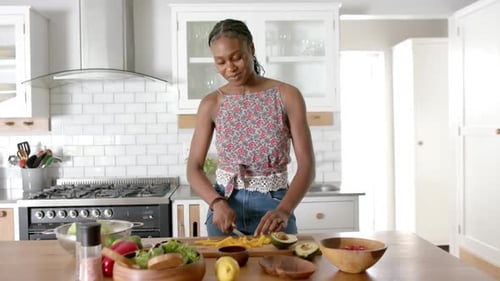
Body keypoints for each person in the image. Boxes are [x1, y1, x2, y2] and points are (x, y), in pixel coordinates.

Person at [186, 19, 315, 237]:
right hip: (224, 209)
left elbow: (307, 166)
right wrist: (216, 203)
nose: (230, 68)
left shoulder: (287, 96)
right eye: (221, 62)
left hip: (274, 211)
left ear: (251, 48)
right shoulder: (211, 103)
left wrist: (284, 210)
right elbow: (193, 168)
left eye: (236, 57)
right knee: (225, 271)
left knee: (278, 271)